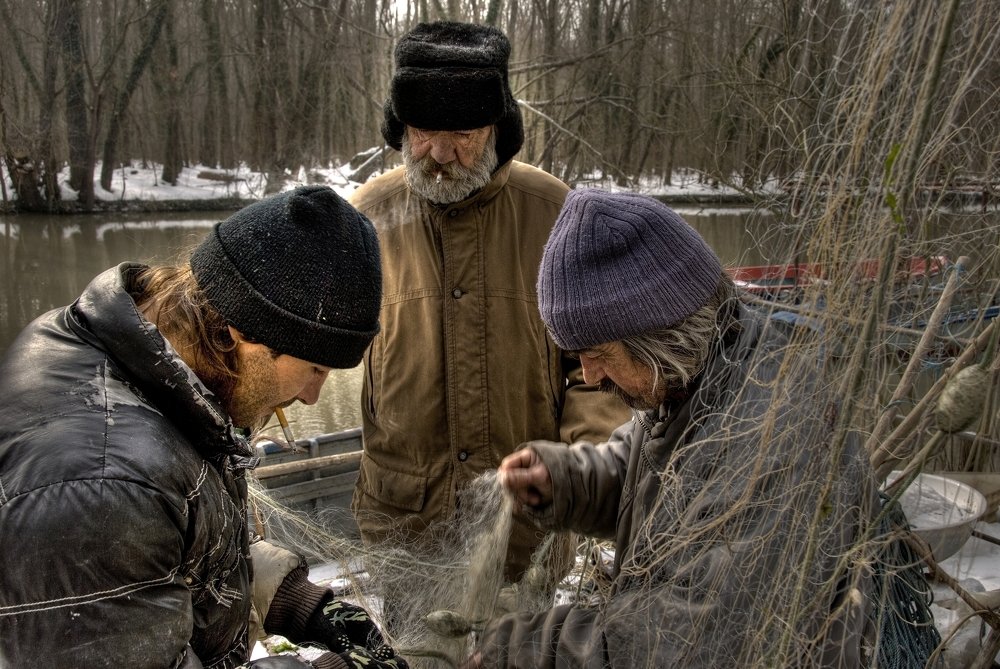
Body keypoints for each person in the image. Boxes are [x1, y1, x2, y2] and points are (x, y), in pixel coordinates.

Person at [462, 189, 885, 667]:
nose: (590, 375)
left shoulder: (775, 439)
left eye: (599, 354)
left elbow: (684, 643)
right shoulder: (699, 376)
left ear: (662, 335)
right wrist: (564, 479)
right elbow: (644, 469)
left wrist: (522, 650)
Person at [0, 186, 407, 669]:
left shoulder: (143, 363)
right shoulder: (103, 484)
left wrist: (296, 600)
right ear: (241, 330)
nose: (311, 396)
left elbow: (172, 552)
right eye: (315, 368)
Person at [349, 21, 629, 589]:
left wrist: (578, 471)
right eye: (425, 131)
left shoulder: (557, 215)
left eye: (465, 133)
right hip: (403, 522)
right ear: (400, 127)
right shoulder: (364, 218)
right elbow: (305, 347)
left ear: (499, 128)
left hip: (524, 525)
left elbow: (601, 369)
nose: (441, 154)